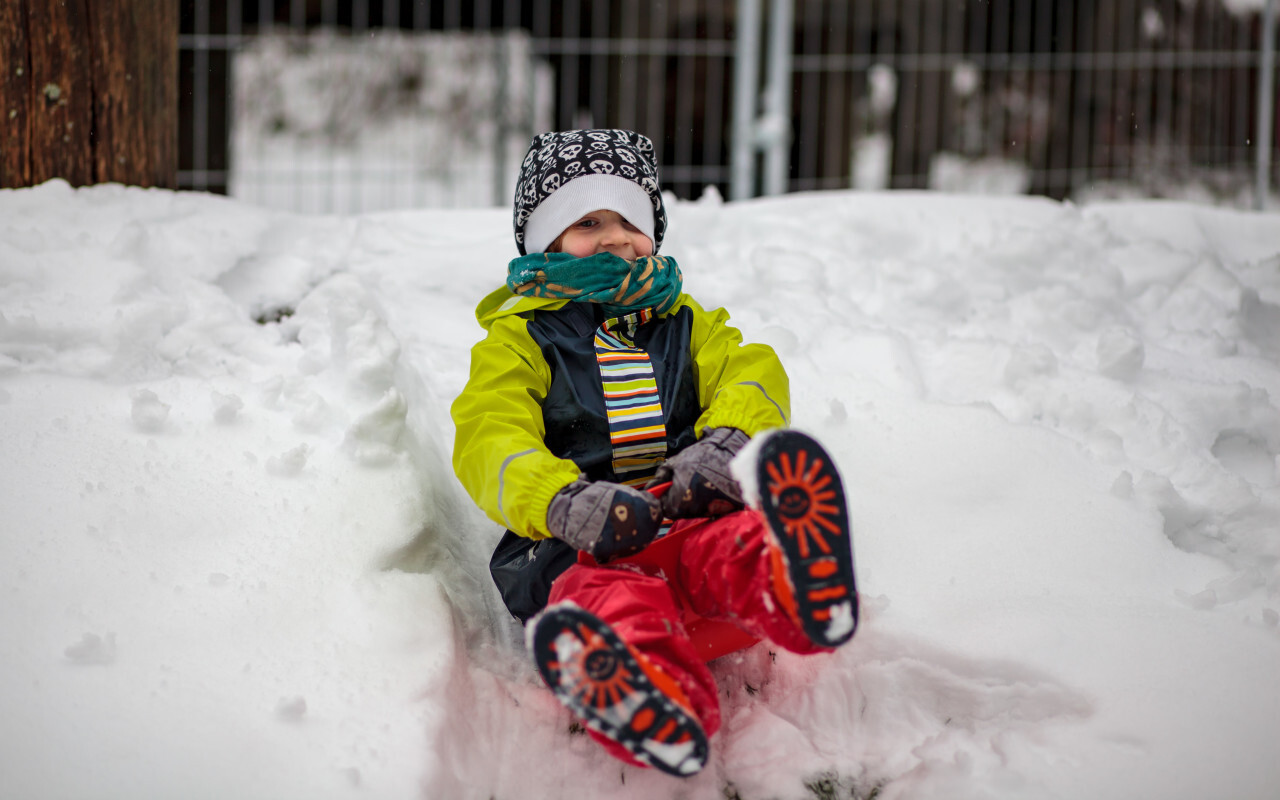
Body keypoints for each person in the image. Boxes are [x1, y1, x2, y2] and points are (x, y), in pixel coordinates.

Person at [451, 129, 858, 777]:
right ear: (544, 241)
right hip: (578, 548)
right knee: (602, 598)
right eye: (587, 221)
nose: (614, 237)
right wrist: (557, 499)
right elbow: (489, 437)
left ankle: (792, 586)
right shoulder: (522, 341)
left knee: (731, 543)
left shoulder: (684, 320)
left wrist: (727, 445)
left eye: (629, 220)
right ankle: (644, 690)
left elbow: (752, 373)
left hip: (686, 520)